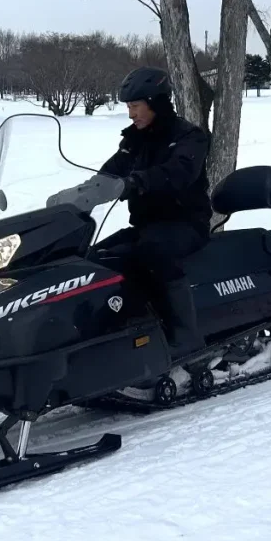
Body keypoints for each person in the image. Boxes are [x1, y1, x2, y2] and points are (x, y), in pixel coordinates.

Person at [94, 66, 211, 358]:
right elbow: (111, 170)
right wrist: (82, 193)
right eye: (128, 108)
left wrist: (137, 182)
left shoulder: (189, 137)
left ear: (155, 102)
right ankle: (119, 327)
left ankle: (187, 337)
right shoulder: (135, 140)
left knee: (154, 251)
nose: (131, 114)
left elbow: (179, 171)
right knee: (97, 258)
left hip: (186, 224)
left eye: (135, 106)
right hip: (147, 226)